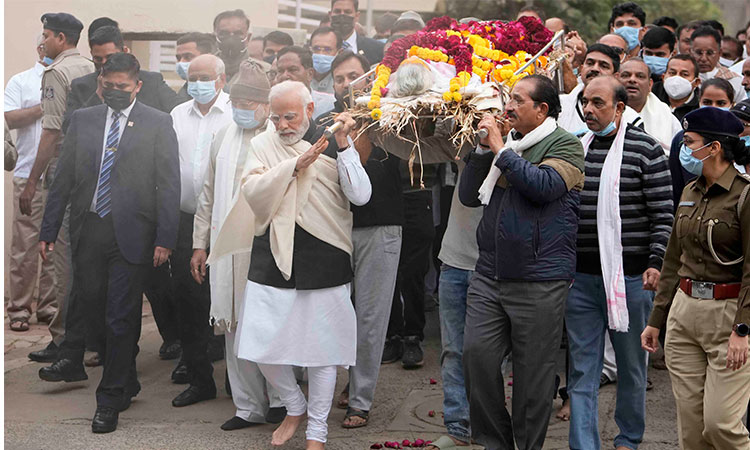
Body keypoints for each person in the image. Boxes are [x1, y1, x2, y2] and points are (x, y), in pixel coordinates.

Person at [207, 80, 371, 449]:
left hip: (326, 253)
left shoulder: (334, 139)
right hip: (273, 253)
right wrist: (294, 166)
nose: (282, 125)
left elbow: (360, 196)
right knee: (257, 342)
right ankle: (294, 405)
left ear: (310, 110)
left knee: (323, 350)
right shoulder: (263, 144)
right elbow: (251, 189)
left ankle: (317, 432)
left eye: (290, 116)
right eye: (277, 117)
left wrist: (344, 147)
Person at [38, 52, 180, 433]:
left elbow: (168, 184)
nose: (115, 92)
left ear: (137, 85)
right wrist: (48, 230)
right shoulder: (83, 120)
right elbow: (63, 180)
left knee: (121, 316)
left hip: (132, 237)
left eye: (123, 86)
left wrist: (166, 238)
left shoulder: (157, 122)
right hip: (89, 233)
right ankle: (127, 378)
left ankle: (109, 398)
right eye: (109, 85)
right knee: (96, 314)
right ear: (100, 83)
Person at [460, 75, 585, 450]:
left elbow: (542, 187)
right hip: (489, 274)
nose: (507, 107)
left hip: (539, 279)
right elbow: (469, 196)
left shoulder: (566, 144)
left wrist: (500, 149)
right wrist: (483, 150)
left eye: (516, 100)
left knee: (532, 380)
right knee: (476, 358)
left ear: (542, 109)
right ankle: (495, 443)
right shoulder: (505, 144)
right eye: (507, 99)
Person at [566, 76, 673, 450]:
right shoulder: (575, 148)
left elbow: (663, 214)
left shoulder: (646, 150)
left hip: (630, 280)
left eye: (598, 103)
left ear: (620, 107)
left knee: (631, 368)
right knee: (582, 369)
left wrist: (656, 262)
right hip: (580, 280)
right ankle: (584, 443)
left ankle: (628, 437)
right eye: (585, 103)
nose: (589, 111)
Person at [641, 107, 750, 449]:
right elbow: (673, 260)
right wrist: (656, 320)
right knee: (692, 430)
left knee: (720, 426)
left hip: (728, 314)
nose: (682, 148)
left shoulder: (745, 195)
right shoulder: (689, 191)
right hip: (685, 313)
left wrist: (743, 330)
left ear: (714, 148)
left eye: (689, 142)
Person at [191, 60, 285, 430]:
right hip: (227, 248)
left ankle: (281, 401)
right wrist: (200, 245)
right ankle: (247, 407)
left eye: (250, 104)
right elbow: (207, 196)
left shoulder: (281, 139)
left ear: (266, 106)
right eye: (237, 103)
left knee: (270, 324)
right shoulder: (223, 137)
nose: (242, 110)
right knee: (233, 325)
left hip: (265, 246)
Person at [317, 51, 403, 428]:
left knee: (370, 316)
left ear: (372, 77)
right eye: (340, 78)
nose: (348, 84)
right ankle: (331, 385)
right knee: (332, 313)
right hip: (333, 228)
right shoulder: (321, 122)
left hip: (381, 226)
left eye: (356, 76)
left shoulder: (394, 114)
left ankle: (360, 398)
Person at [20, 12, 95, 363]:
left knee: (62, 261)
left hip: (66, 174)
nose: (43, 41)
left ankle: (65, 340)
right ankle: (87, 337)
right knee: (87, 260)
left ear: (61, 39)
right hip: (97, 175)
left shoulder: (57, 72)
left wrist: (32, 181)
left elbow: (51, 132)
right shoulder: (92, 67)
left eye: (47, 36)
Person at [169, 54, 234, 406]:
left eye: (205, 77)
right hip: (185, 221)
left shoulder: (233, 114)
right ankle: (198, 379)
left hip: (225, 223)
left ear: (221, 80)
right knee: (189, 303)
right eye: (192, 77)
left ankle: (239, 384)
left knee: (229, 301)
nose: (197, 83)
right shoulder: (178, 115)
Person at [5, 36, 56, 335]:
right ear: (40, 49)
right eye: (45, 44)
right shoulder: (21, 81)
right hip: (27, 174)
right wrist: (43, 108)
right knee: (24, 246)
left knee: (54, 244)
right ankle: (20, 308)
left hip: (58, 175)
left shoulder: (68, 79)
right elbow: (8, 118)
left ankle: (48, 305)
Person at [668, 78, 737, 211]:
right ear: (698, 102)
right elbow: (675, 187)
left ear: (731, 105)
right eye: (707, 102)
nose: (713, 108)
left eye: (721, 103)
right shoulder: (681, 138)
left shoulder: (736, 139)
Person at [618, 58, 682, 153]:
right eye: (626, 75)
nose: (632, 80)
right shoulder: (604, 112)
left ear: (650, 85)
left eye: (640, 76)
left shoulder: (668, 118)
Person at [275, 46, 335, 120]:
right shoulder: (269, 108)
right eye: (280, 71)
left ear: (310, 74)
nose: (285, 75)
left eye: (292, 70)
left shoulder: (330, 106)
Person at [691, 25, 746, 103]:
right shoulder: (683, 79)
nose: (703, 59)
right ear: (690, 52)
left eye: (710, 53)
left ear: (719, 53)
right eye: (698, 53)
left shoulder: (734, 81)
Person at [328, 0, 384, 64]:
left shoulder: (377, 49)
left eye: (347, 12)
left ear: (357, 16)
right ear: (330, 15)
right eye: (337, 11)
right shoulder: (318, 47)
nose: (342, 15)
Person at [652, 54, 701, 121]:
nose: (677, 78)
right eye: (672, 73)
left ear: (696, 82)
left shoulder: (699, 106)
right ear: (663, 78)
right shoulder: (652, 95)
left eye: (684, 74)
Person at [174, 32, 217, 104]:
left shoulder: (229, 94)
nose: (181, 62)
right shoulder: (184, 93)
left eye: (188, 57)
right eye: (178, 58)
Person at [310, 27, 341, 95]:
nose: (321, 54)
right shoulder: (301, 76)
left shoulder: (342, 80)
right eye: (316, 48)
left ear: (339, 52)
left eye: (327, 49)